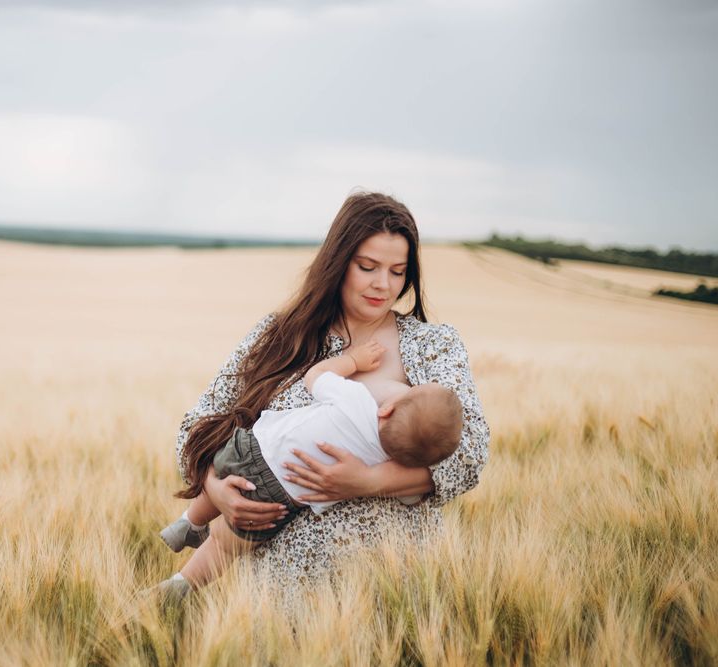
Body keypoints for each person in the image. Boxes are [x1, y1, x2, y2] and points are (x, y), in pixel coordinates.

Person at [166, 191, 490, 603]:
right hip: (280, 600)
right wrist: (216, 489)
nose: (382, 284)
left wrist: (370, 481)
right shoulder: (281, 335)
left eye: (397, 271)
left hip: (397, 593)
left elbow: (470, 454)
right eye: (367, 266)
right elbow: (197, 425)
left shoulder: (432, 346)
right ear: (338, 262)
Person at [157, 338, 463, 595]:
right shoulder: (386, 465)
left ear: (388, 408)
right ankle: (182, 585)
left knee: (226, 475)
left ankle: (187, 523)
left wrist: (352, 361)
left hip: (254, 447)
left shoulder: (356, 400)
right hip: (279, 498)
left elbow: (317, 375)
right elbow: (411, 496)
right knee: (225, 548)